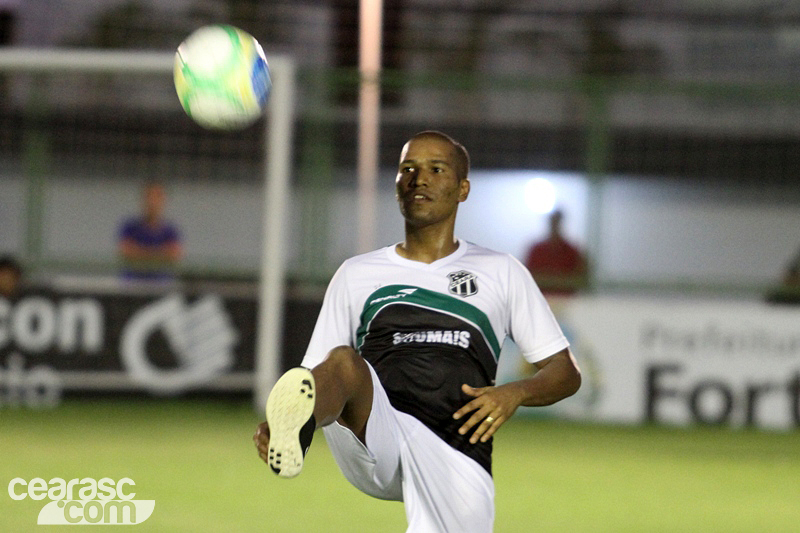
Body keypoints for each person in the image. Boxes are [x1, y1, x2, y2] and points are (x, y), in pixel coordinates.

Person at [254, 131, 581, 532]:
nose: (418, 178)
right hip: (378, 431)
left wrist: (515, 392)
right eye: (407, 169)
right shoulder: (357, 273)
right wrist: (283, 423)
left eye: (435, 169)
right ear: (395, 187)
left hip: (455, 443)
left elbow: (565, 372)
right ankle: (297, 436)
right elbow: (314, 375)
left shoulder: (502, 271)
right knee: (343, 362)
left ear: (463, 189)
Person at [117, 182, 183, 281]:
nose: (152, 202)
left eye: (157, 197)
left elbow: (174, 255)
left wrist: (140, 254)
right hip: (132, 283)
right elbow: (126, 252)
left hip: (161, 284)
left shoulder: (170, 231)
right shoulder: (130, 227)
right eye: (149, 197)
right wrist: (160, 254)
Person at [524, 209, 588, 296]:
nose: (555, 225)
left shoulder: (572, 251)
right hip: (540, 299)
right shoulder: (536, 250)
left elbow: (581, 279)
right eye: (553, 222)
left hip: (566, 302)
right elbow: (527, 277)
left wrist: (548, 280)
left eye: (557, 222)